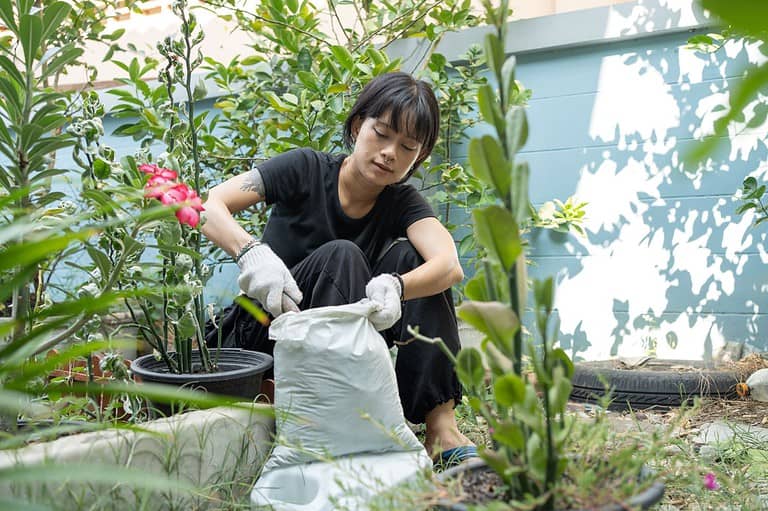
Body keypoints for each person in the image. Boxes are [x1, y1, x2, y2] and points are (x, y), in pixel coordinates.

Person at [201, 71, 476, 464]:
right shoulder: (305, 168)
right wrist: (251, 253)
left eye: (407, 146)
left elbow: (448, 265)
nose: (389, 153)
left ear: (418, 158)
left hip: (340, 352)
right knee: (343, 255)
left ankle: (441, 430)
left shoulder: (401, 202)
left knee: (412, 263)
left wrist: (398, 287)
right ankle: (337, 429)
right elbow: (208, 204)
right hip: (264, 332)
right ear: (356, 125)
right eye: (381, 133)